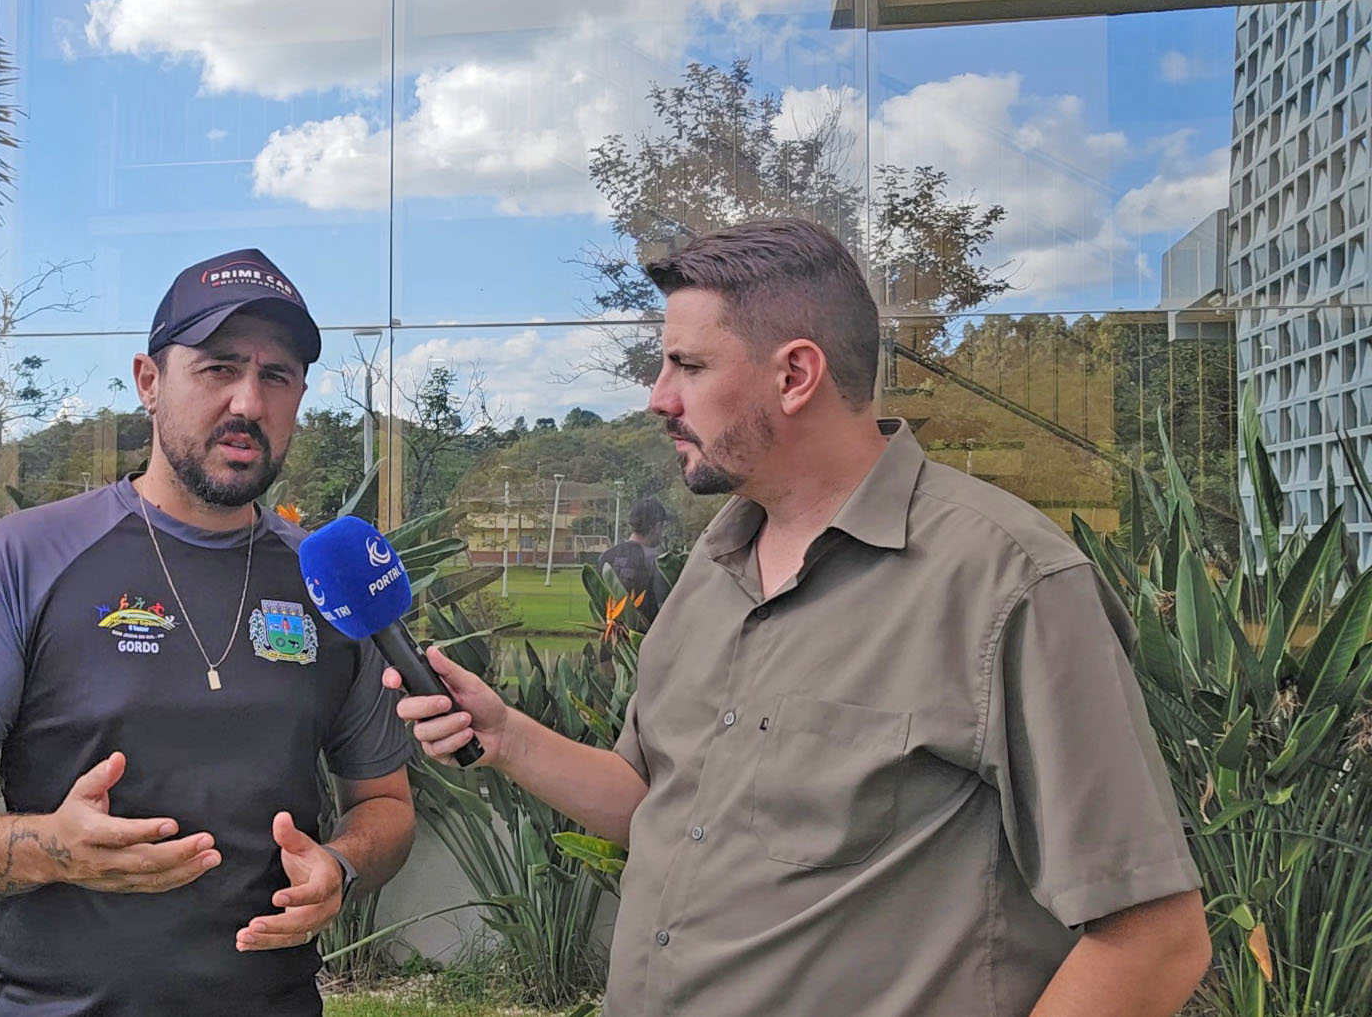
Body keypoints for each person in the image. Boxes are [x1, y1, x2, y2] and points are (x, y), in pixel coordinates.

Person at [389, 219, 1210, 1016]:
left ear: (795, 376)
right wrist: (506, 735)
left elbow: (1154, 940)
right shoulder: (713, 567)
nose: (658, 397)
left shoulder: (1008, 583)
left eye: (688, 365)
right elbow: (661, 806)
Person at [0, 248, 417, 1017]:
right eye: (218, 368)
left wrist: (341, 865)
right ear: (149, 381)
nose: (247, 403)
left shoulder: (326, 585)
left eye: (276, 376)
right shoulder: (24, 561)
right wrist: (53, 851)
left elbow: (387, 808)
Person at [595, 497, 672, 627]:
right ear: (657, 527)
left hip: (611, 639)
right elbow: (664, 612)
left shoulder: (605, 557)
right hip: (643, 641)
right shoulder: (657, 562)